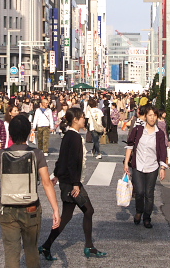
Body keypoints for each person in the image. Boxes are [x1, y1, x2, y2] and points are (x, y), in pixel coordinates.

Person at [0, 115, 61, 268]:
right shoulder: (37, 154)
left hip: (7, 208)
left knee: (11, 251)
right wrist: (55, 209)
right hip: (30, 208)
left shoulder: (1, 155)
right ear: (28, 132)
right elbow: (47, 183)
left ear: (10, 133)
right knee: (31, 250)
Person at [39, 108, 106, 260]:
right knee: (88, 211)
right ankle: (88, 246)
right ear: (75, 120)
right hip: (71, 183)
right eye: (82, 117)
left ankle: (46, 246)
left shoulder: (68, 135)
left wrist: (56, 175)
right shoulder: (74, 137)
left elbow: (62, 158)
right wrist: (76, 184)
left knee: (68, 216)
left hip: (67, 181)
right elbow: (72, 162)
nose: (84, 120)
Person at [124, 105, 167, 228]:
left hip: (152, 166)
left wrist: (163, 168)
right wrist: (126, 163)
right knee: (140, 192)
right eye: (150, 115)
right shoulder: (138, 129)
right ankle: (139, 211)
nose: (152, 118)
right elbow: (130, 145)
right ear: (145, 116)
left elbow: (163, 150)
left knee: (149, 193)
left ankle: (147, 217)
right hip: (138, 164)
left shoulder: (159, 134)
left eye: (154, 115)